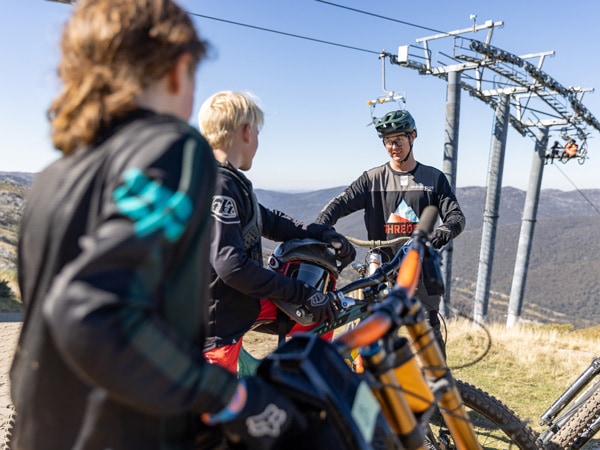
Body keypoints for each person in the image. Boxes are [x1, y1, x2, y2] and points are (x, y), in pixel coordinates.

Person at [9, 2, 310, 449]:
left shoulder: (58, 174)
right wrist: (229, 395)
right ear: (178, 68)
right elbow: (90, 310)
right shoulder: (172, 147)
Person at [198, 90, 356, 375]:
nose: (257, 141)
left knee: (318, 315)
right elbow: (231, 266)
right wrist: (301, 292)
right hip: (217, 323)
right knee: (217, 415)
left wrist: (323, 233)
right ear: (246, 132)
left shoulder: (228, 181)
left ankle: (302, 379)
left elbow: (271, 221)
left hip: (237, 302)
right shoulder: (219, 186)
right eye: (257, 132)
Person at [315, 109, 465, 353]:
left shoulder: (434, 179)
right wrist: (321, 226)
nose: (393, 146)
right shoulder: (372, 179)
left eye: (398, 140)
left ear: (413, 137)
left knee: (429, 336)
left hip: (421, 270)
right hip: (381, 271)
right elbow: (339, 204)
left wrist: (443, 232)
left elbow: (456, 216)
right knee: (375, 338)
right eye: (387, 141)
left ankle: (437, 387)